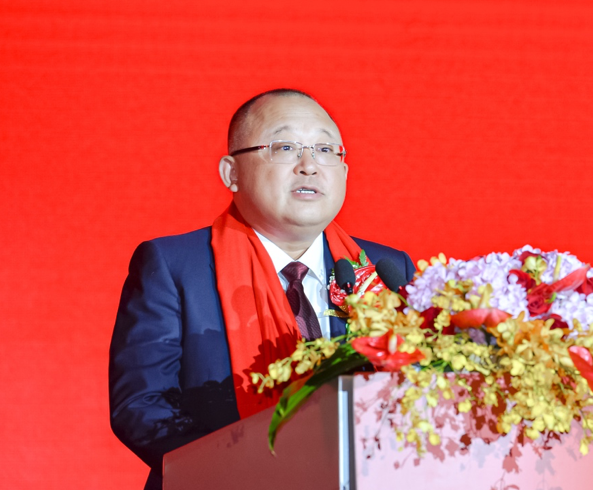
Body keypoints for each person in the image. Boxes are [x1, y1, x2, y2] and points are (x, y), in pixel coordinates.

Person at [109, 89, 415, 490]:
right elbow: (142, 406)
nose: (309, 166)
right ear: (231, 173)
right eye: (285, 147)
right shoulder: (174, 266)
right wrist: (247, 470)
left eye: (325, 149)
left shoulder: (385, 269)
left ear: (344, 171)